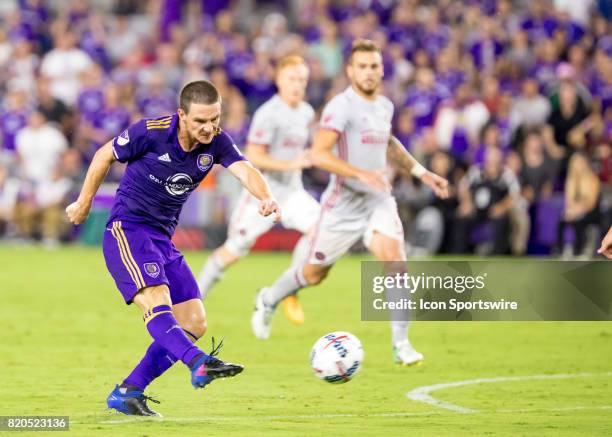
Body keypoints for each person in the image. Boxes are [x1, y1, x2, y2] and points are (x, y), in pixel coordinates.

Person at [66, 80, 281, 416]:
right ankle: (198, 363)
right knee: (156, 300)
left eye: (215, 119)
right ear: (181, 115)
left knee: (194, 322)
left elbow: (246, 170)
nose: (209, 127)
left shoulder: (218, 142)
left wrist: (265, 196)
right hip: (129, 231)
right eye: (200, 121)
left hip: (162, 239)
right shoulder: (150, 132)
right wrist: (84, 202)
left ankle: (128, 391)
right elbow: (104, 154)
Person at [251, 39, 449, 366]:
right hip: (342, 205)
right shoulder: (340, 107)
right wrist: (361, 173)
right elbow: (318, 154)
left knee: (396, 262)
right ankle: (269, 298)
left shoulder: (384, 106)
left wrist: (421, 171)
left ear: (382, 69)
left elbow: (387, 141)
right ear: (350, 71)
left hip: (378, 201)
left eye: (374, 66)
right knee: (314, 275)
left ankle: (401, 344)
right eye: (362, 67)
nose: (369, 72)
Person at [197, 56, 319, 325]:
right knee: (232, 252)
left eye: (302, 80)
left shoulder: (307, 112)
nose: (297, 85)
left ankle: (289, 290)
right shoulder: (268, 114)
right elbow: (254, 155)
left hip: (293, 192)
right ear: (279, 80)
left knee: (322, 229)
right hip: (260, 195)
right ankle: (194, 300)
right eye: (292, 79)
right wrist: (291, 163)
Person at [556, 152, 601, 258]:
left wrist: (577, 211)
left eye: (579, 163)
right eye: (575, 163)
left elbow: (591, 203)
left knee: (578, 221)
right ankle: (561, 249)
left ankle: (579, 250)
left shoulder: (593, 179)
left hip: (591, 212)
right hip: (576, 211)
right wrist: (571, 211)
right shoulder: (570, 180)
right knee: (562, 220)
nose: (577, 166)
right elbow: (569, 201)